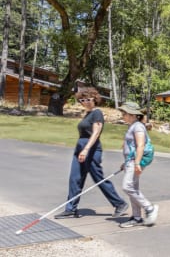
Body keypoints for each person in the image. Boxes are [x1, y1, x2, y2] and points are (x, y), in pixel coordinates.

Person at [55, 87, 129, 219]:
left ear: (94, 99)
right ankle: (71, 208)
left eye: (88, 99)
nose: (85, 102)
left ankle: (120, 204)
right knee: (75, 178)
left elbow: (96, 133)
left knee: (98, 178)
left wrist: (86, 149)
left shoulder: (97, 113)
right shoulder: (88, 114)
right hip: (80, 149)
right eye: (82, 100)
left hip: (91, 149)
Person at [118, 101, 159, 228]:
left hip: (135, 162)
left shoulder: (138, 126)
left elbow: (140, 145)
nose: (122, 115)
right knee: (133, 189)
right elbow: (132, 147)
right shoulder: (132, 126)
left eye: (124, 113)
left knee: (127, 187)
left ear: (132, 114)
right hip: (130, 162)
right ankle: (136, 217)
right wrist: (125, 163)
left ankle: (149, 208)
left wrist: (136, 163)